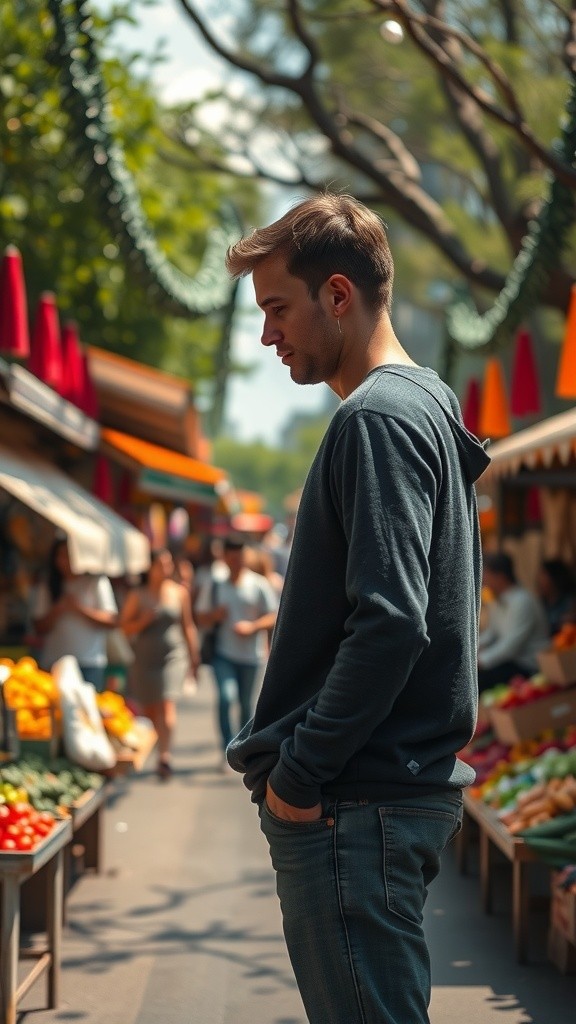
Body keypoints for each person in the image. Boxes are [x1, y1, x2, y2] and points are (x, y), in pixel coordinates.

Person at [223, 193, 491, 1024]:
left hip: (353, 806)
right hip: (375, 803)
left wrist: (299, 777)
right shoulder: (426, 403)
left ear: (337, 295)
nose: (269, 334)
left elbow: (391, 622)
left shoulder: (376, 417)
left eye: (277, 308)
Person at [194, 535, 278, 769]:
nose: (236, 562)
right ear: (224, 558)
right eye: (231, 558)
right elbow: (199, 616)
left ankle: (242, 748)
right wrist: (214, 616)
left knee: (245, 704)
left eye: (239, 558)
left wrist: (253, 627)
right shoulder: (215, 584)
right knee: (225, 697)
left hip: (251, 656)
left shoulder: (258, 584)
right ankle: (226, 747)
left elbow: (274, 615)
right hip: (223, 653)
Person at [119, 548, 200, 780]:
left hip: (173, 657)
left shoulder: (179, 593)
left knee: (166, 703)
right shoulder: (138, 595)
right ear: (150, 568)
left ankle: (165, 756)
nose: (166, 568)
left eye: (168, 564)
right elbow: (124, 627)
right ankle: (159, 743)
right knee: (150, 708)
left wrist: (194, 655)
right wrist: (142, 621)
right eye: (160, 564)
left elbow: (188, 625)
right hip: (144, 659)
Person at [31, 536, 118, 691]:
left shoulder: (96, 581)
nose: (66, 560)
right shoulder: (48, 585)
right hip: (55, 661)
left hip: (89, 662)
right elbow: (39, 627)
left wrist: (78, 609)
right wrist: (58, 609)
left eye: (70, 554)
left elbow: (111, 620)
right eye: (62, 555)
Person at [478, 550, 549, 691]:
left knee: (479, 681)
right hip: (512, 661)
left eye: (486, 574)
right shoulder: (498, 600)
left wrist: (480, 660)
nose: (483, 579)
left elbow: (511, 645)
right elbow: (492, 633)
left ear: (500, 576)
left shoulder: (522, 601)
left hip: (529, 666)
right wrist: (472, 648)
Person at [536, 558, 576, 637]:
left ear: (554, 578)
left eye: (544, 575)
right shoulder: (540, 604)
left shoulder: (569, 602)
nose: (540, 581)